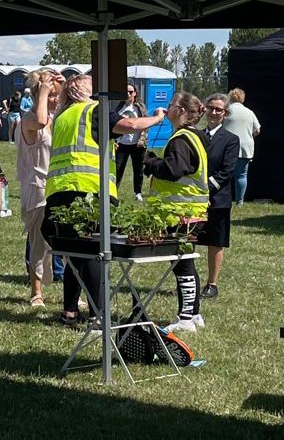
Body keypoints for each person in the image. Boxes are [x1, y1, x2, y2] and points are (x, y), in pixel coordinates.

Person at [41, 74, 166, 327]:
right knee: (93, 253)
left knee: (73, 252)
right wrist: (158, 118)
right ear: (88, 92)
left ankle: (70, 312)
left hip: (59, 191)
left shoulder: (63, 116)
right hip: (91, 192)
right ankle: (100, 314)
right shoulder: (94, 110)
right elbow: (130, 126)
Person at [144, 91, 209, 332]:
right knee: (187, 262)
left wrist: (151, 163)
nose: (167, 108)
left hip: (181, 213)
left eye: (171, 105)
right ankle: (194, 313)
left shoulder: (181, 139)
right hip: (193, 211)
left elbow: (174, 170)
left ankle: (185, 318)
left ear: (180, 111)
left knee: (182, 264)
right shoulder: (196, 136)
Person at [16, 69, 63, 308]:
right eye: (51, 95)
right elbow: (41, 120)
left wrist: (65, 86)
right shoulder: (28, 118)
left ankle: (66, 288)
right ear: (37, 93)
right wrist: (43, 90)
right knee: (38, 241)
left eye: (57, 95)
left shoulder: (59, 117)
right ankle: (36, 291)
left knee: (63, 241)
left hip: (57, 184)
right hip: (36, 186)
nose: (55, 99)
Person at [198, 93, 240, 300]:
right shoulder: (195, 135)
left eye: (218, 110)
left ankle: (212, 284)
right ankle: (189, 281)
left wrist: (206, 189)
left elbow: (227, 171)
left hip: (218, 198)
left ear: (225, 114)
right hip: (193, 197)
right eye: (210, 108)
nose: (214, 112)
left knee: (215, 241)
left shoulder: (231, 140)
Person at [223, 88, 261, 205]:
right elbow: (257, 130)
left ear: (230, 98)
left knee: (225, 175)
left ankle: (225, 199)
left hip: (228, 147)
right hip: (245, 148)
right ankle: (240, 202)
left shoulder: (226, 111)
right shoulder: (249, 112)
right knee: (241, 175)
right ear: (242, 99)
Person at [115, 83, 149, 201]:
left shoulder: (140, 107)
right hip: (122, 144)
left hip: (137, 144)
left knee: (138, 169)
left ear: (135, 93)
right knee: (118, 169)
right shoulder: (119, 108)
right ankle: (113, 192)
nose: (128, 94)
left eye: (130, 92)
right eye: (126, 92)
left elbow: (146, 123)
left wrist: (143, 139)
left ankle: (138, 193)